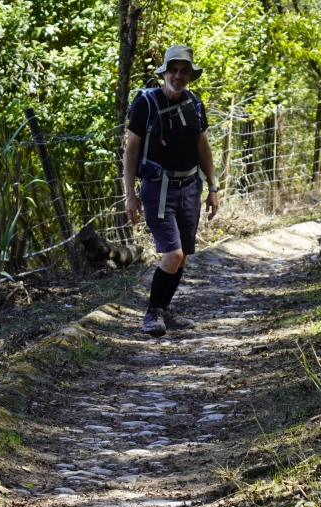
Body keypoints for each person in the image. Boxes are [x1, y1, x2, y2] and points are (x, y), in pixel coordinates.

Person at [123, 44, 219, 337]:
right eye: (174, 69)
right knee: (173, 254)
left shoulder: (194, 104)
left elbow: (203, 148)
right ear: (163, 71)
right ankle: (152, 313)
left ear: (191, 74)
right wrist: (130, 195)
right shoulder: (146, 104)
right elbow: (131, 149)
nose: (178, 75)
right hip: (157, 188)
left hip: (190, 187)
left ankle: (165, 310)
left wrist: (213, 187)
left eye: (184, 70)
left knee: (184, 255)